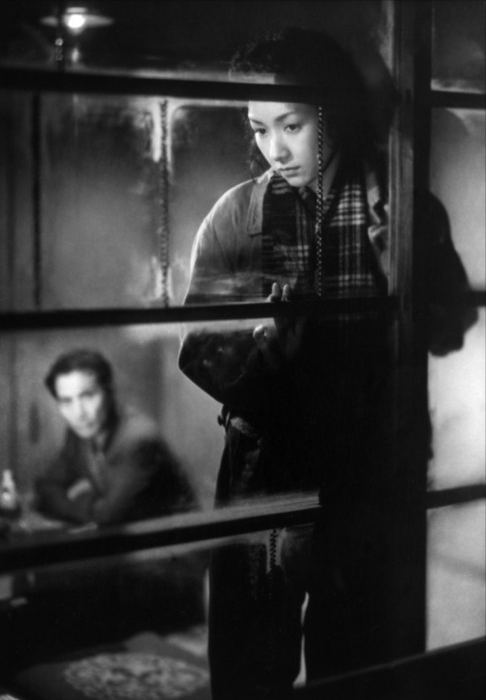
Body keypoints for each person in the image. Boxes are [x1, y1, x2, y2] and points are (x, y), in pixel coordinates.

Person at [178, 27, 475, 699]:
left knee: (358, 667)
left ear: (331, 113)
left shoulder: (397, 205)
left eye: (292, 126)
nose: (275, 149)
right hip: (265, 476)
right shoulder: (239, 213)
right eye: (259, 129)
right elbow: (197, 349)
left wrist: (400, 260)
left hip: (366, 474)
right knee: (250, 669)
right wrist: (267, 349)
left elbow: (449, 327)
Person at [36, 348, 197, 526]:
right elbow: (46, 486)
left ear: (109, 392)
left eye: (88, 396)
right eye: (66, 401)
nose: (79, 413)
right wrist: (91, 503)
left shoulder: (138, 440)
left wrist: (83, 499)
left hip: (171, 537)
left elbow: (106, 517)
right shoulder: (80, 432)